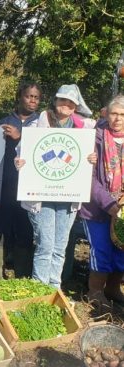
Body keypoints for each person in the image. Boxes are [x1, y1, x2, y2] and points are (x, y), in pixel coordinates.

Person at [16, 84, 97, 288]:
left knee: (60, 246)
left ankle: (54, 288)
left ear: (75, 106)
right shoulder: (38, 124)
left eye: (71, 102)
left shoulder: (83, 130)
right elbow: (22, 151)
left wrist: (92, 157)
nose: (66, 105)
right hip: (41, 197)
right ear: (55, 101)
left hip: (68, 197)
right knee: (45, 245)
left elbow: (84, 159)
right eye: (63, 100)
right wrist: (19, 161)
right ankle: (40, 290)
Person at [0, 82, 42, 279]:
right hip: (5, 187)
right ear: (19, 97)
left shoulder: (43, 124)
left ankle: (22, 276)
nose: (32, 100)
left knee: (25, 232)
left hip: (30, 189)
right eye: (29, 96)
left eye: (36, 97)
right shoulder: (3, 122)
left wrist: (19, 136)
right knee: (0, 231)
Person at [79, 95, 124, 310]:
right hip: (97, 208)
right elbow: (88, 178)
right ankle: (94, 292)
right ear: (106, 113)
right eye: (114, 113)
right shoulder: (94, 137)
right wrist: (110, 205)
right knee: (102, 250)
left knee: (121, 251)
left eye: (123, 115)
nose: (118, 119)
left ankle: (113, 289)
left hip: (123, 208)